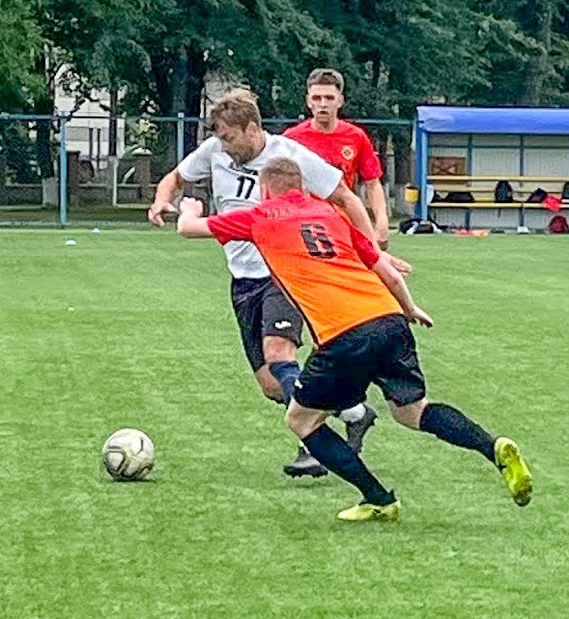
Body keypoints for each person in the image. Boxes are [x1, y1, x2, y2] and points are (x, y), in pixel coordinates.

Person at [176, 156, 532, 522]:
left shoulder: (260, 215)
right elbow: (385, 268)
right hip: (389, 318)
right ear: (302, 188)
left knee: (301, 421)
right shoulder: (332, 215)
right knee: (413, 411)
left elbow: (188, 229)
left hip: (344, 334)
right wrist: (409, 308)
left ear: (265, 191)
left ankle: (378, 498)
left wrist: (189, 208)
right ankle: (493, 447)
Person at [149, 89, 410, 478]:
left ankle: (313, 443)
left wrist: (373, 249)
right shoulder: (215, 151)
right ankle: (354, 413)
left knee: (279, 353)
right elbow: (175, 177)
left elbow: (346, 198)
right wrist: (160, 200)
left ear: (252, 128)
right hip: (242, 281)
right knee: (271, 383)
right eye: (219, 137)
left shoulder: (290, 157)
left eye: (228, 136)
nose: (223, 145)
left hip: (284, 274)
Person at [284, 68, 390, 247]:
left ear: (340, 101)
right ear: (308, 101)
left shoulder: (356, 137)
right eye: (317, 98)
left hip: (344, 223)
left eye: (329, 98)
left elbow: (372, 183)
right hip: (303, 224)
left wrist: (381, 220)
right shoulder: (291, 139)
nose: (323, 104)